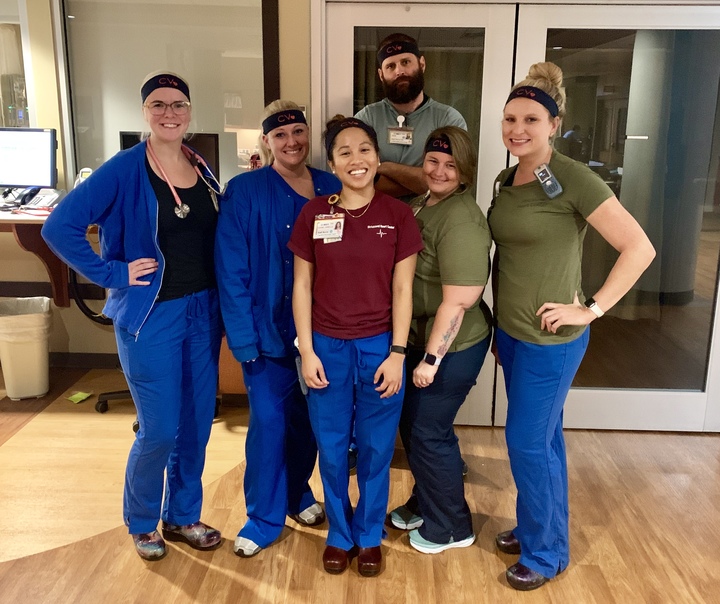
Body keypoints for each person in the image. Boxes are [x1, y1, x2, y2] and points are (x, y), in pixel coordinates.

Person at [42, 71, 224, 560]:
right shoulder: (125, 169)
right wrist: (112, 273)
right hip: (152, 316)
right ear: (145, 112)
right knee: (160, 428)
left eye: (179, 104)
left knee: (197, 423)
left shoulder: (199, 164)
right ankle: (143, 521)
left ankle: (183, 513)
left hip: (203, 311)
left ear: (190, 111)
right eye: (159, 104)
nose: (170, 112)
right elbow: (59, 226)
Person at [488, 62, 655, 591]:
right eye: (511, 118)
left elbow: (639, 248)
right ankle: (542, 527)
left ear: (554, 124)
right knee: (545, 440)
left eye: (531, 119)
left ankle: (546, 553)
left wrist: (592, 308)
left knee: (526, 445)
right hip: (514, 336)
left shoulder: (576, 177)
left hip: (551, 341)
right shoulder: (506, 175)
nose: (518, 129)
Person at [289, 116, 423, 577]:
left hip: (379, 348)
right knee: (330, 447)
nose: (356, 159)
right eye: (344, 151)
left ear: (378, 158)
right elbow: (301, 286)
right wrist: (306, 351)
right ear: (332, 163)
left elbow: (404, 290)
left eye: (364, 149)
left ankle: (368, 534)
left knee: (375, 448)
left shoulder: (397, 215)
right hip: (325, 346)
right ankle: (339, 534)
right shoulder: (315, 213)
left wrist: (398, 353)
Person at [214, 100, 341, 557]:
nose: (292, 142)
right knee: (268, 425)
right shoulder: (244, 190)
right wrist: (243, 340)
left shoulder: (331, 187)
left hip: (322, 336)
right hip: (265, 336)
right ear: (267, 141)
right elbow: (231, 271)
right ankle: (263, 517)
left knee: (310, 425)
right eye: (281, 135)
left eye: (299, 132)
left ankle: (296, 493)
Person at [388, 126, 492, 554]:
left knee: (429, 431)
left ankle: (451, 524)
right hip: (417, 337)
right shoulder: (419, 205)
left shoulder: (463, 219)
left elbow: (460, 300)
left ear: (465, 171)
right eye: (433, 160)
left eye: (451, 165)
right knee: (413, 427)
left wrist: (430, 360)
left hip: (452, 346)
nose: (440, 171)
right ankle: (428, 500)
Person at [355, 33, 467, 200]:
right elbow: (358, 181)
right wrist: (422, 180)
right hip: (378, 219)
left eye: (405, 62)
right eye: (390, 66)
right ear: (381, 75)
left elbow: (450, 181)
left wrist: (387, 168)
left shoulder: (448, 120)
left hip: (431, 219)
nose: (399, 71)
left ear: (421, 64)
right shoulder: (367, 119)